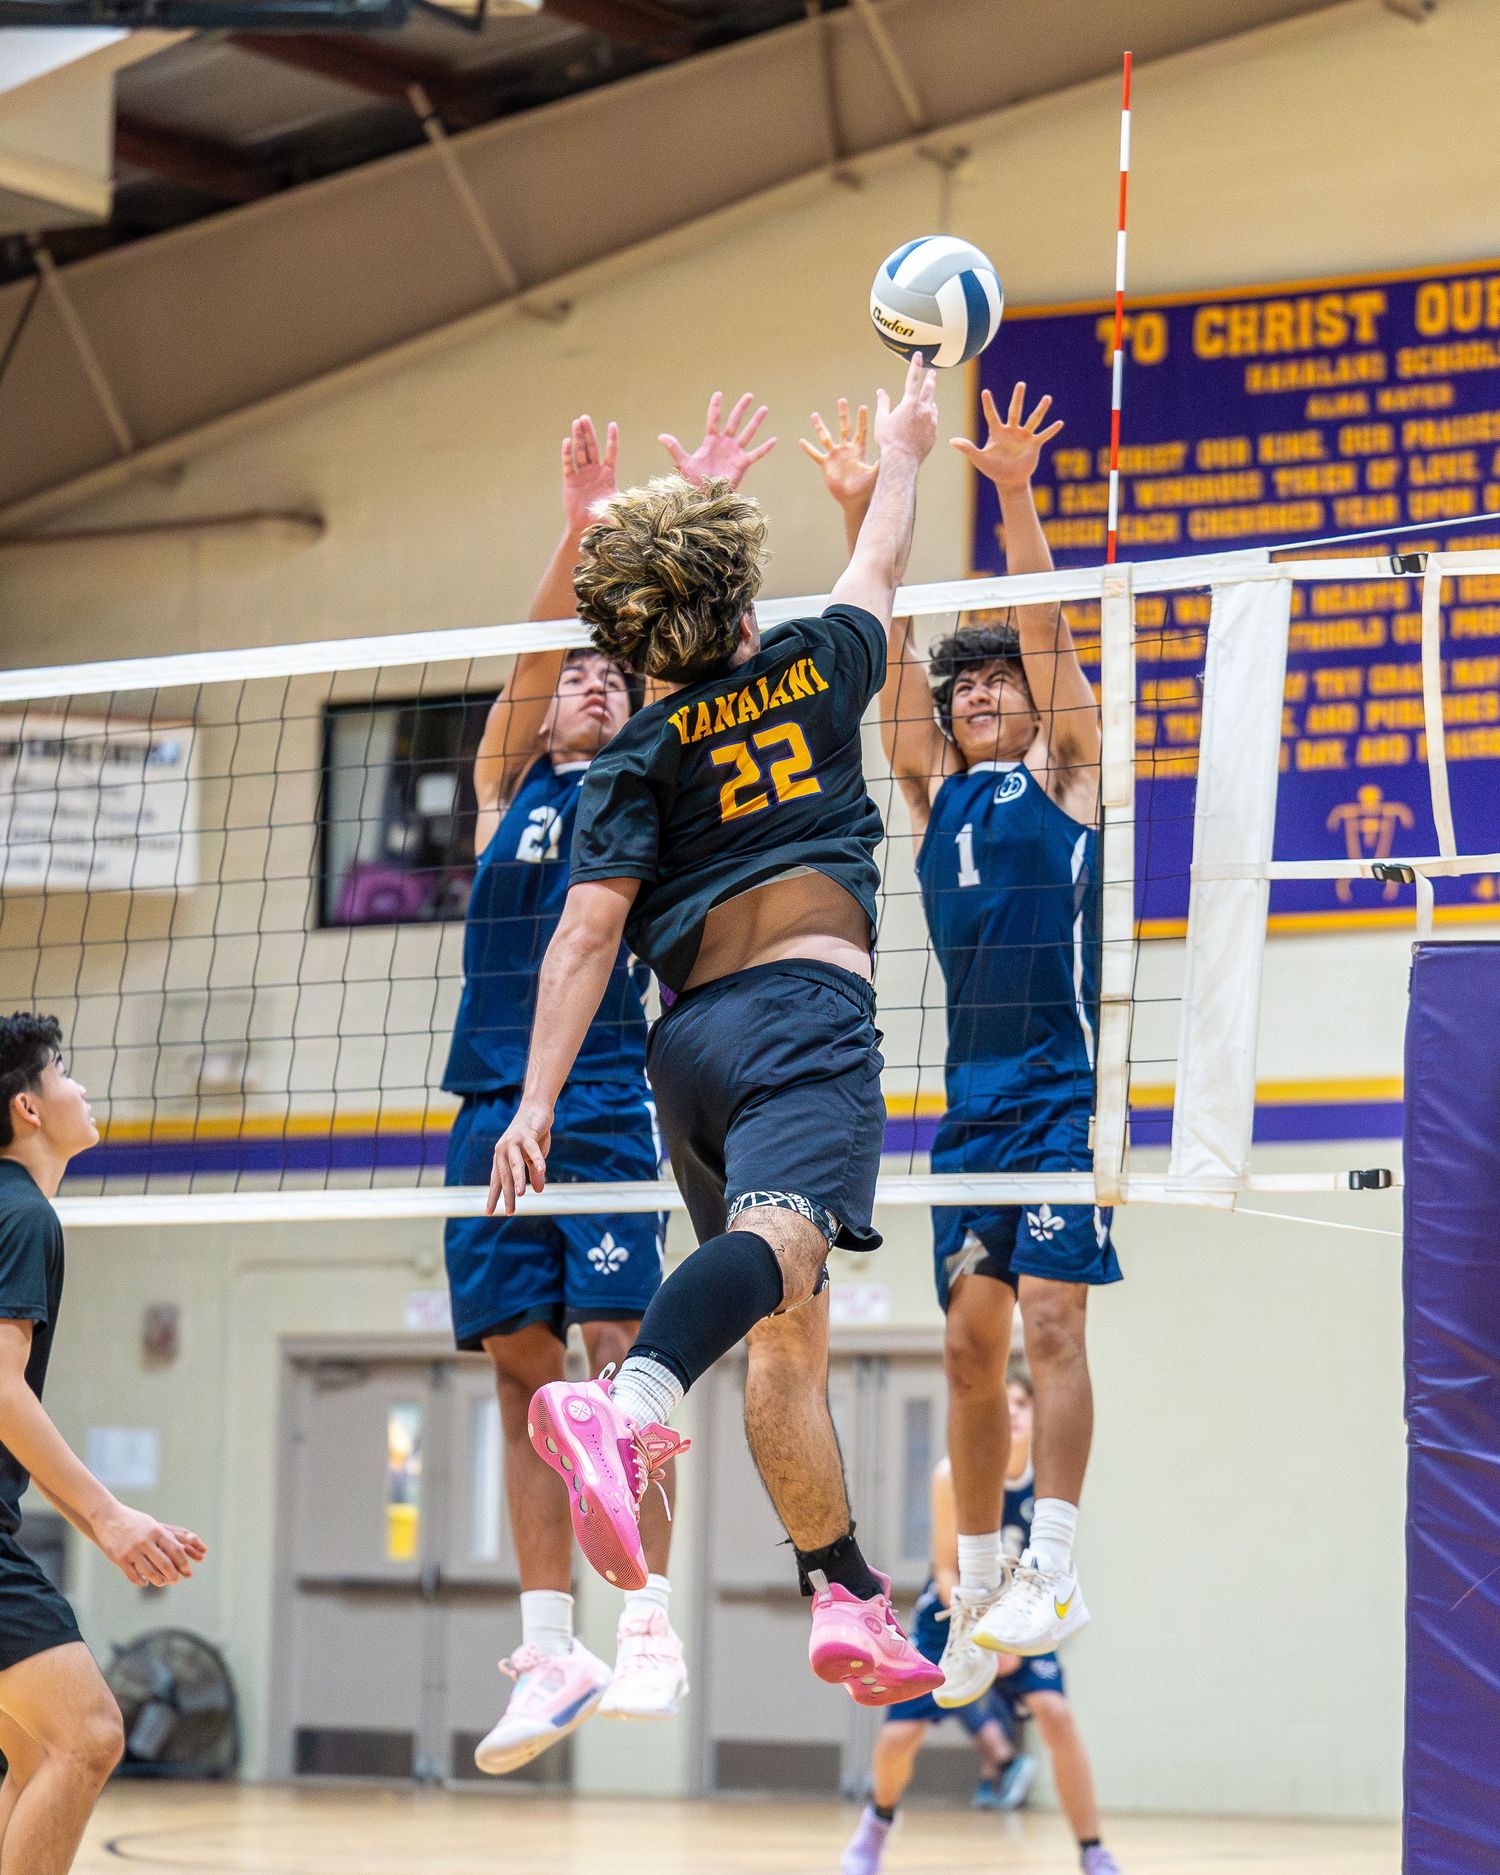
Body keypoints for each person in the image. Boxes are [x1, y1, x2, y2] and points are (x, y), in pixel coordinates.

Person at [490, 355, 944, 1705]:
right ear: (744, 595)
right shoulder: (813, 666)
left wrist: (534, 1104)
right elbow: (878, 567)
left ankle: (844, 1587)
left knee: (789, 1320)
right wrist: (905, 449)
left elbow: (583, 937)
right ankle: (629, 1401)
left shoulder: (637, 749)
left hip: (682, 1054)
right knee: (784, 1249)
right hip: (807, 1015)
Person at [443, 396, 776, 1773]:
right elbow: (528, 659)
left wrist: (692, 513)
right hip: (481, 1105)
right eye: (576, 670)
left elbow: (705, 682)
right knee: (521, 1374)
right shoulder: (506, 788)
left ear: (641, 698)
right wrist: (580, 522)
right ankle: (549, 1643)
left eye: (609, 671)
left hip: (597, 1106)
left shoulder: (651, 782)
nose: (586, 679)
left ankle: (643, 1618)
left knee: (614, 1363)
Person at [803, 383, 1117, 1684]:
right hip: (970, 1105)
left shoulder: (1069, 770)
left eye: (1000, 680)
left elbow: (1051, 635)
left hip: (1058, 1092)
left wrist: (1015, 493)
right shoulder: (931, 798)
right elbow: (886, 654)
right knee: (966, 1344)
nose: (984, 693)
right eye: (967, 682)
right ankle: (980, 1585)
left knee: (1053, 1323)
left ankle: (1057, 1561)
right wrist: (873, 502)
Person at [0, 1013, 206, 1875]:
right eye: (66, 1071)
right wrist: (110, 1517)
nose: (82, 1086)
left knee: (31, 1755)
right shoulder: (22, 1217)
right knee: (88, 1735)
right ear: (30, 1107)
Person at [841, 1369, 1121, 1875]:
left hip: (1022, 1611)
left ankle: (1093, 1850)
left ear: (1037, 1415)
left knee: (1056, 1714)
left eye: (1022, 1402)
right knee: (900, 1737)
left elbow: (1049, 1564)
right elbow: (946, 1568)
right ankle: (875, 1828)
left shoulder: (1048, 1479)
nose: (1011, 1411)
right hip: (951, 1615)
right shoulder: (954, 1474)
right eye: (1003, 1401)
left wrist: (1013, 1635)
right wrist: (986, 1636)